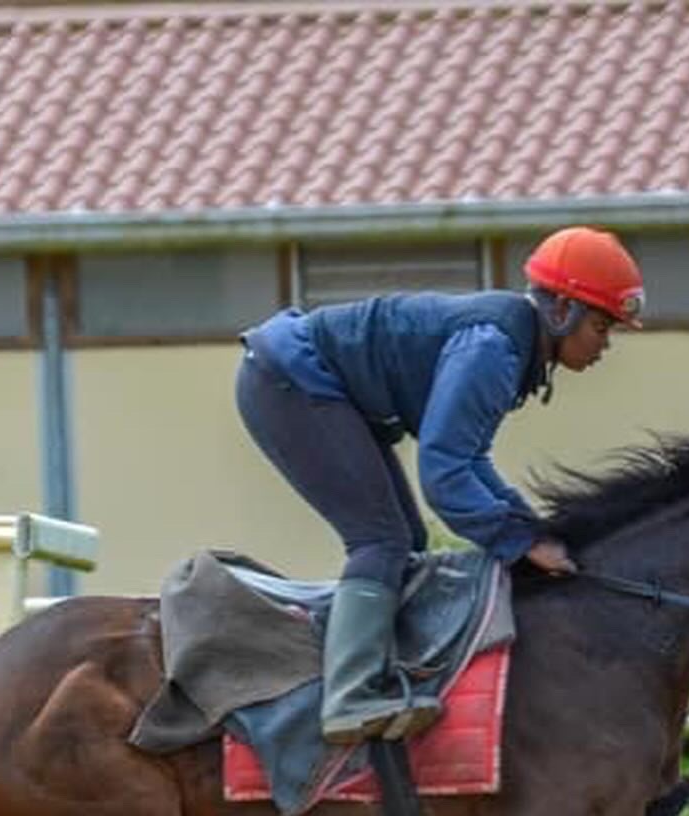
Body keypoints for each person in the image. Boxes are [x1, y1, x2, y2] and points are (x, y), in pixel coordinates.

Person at [235, 226, 645, 745]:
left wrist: (529, 527)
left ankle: (378, 676)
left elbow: (469, 460)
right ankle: (348, 699)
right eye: (601, 325)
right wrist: (520, 542)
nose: (605, 345)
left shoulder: (513, 345)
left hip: (304, 379)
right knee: (381, 541)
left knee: (406, 542)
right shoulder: (494, 350)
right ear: (561, 311)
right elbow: (445, 475)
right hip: (289, 379)